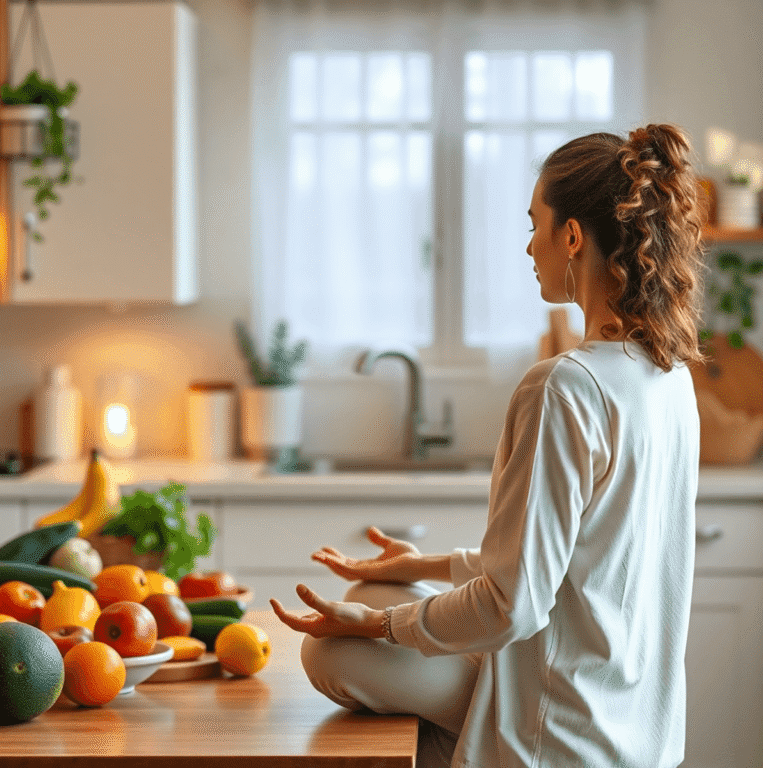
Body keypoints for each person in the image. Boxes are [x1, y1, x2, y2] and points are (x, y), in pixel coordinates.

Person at [270, 123, 707, 768]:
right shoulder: (668, 378)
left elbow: (512, 606)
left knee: (332, 648)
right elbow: (579, 568)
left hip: (556, 730)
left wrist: (379, 628)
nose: (529, 247)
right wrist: (425, 566)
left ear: (573, 236)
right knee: (379, 597)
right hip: (636, 727)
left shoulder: (565, 386)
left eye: (536, 224)